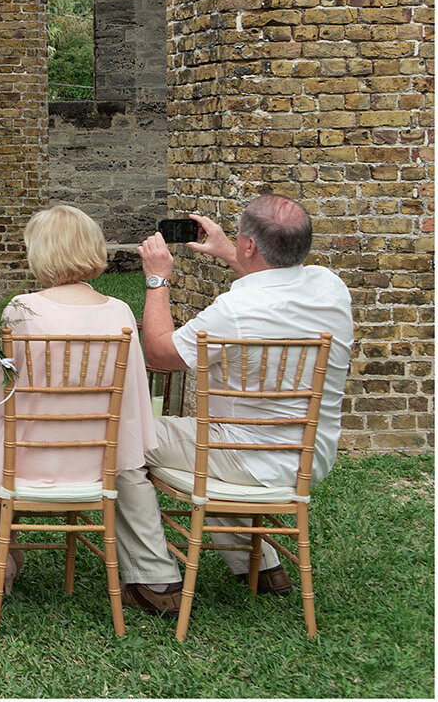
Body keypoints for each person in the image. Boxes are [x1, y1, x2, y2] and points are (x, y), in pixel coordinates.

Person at [114, 193, 355, 616]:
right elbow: (274, 283)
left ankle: (154, 578)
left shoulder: (234, 310)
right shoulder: (330, 287)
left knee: (120, 433)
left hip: (242, 456)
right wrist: (228, 251)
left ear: (250, 246)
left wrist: (157, 279)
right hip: (307, 457)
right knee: (216, 443)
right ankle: (261, 567)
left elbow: (159, 355)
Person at [0, 205, 157, 591]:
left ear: (41, 253)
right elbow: (132, 395)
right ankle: (4, 552)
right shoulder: (122, 312)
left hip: (28, 461)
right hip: (98, 461)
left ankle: (2, 552)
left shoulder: (22, 310)